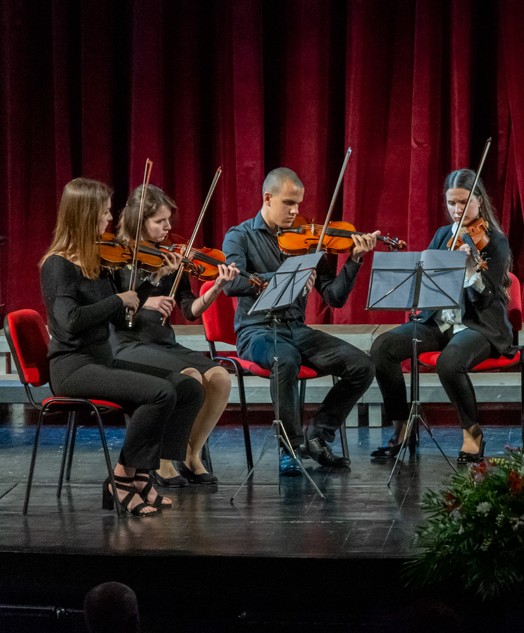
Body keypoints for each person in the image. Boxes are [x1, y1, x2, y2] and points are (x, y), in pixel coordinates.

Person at [38, 179, 203, 516]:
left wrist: (154, 281)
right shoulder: (57, 264)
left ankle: (142, 475)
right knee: (160, 393)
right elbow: (69, 320)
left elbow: (119, 319)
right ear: (84, 217)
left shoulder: (98, 261)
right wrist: (117, 299)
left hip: (103, 359)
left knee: (187, 388)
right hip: (73, 367)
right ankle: (121, 479)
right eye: (103, 213)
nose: (109, 219)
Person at [221, 168, 377, 475]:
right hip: (257, 331)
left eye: (298, 204)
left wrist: (354, 261)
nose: (295, 211)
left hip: (297, 329)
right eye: (288, 203)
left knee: (363, 366)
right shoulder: (239, 236)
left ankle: (318, 435)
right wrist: (284, 279)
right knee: (286, 359)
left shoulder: (309, 241)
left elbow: (334, 297)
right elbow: (232, 284)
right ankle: (289, 447)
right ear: (268, 198)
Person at [368, 169, 514, 463]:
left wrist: (472, 269)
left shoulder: (495, 241)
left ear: (479, 201)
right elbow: (426, 280)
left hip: (480, 325)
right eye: (451, 203)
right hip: (439, 323)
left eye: (464, 202)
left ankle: (471, 433)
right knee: (382, 347)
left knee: (450, 361)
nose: (457, 210)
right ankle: (401, 428)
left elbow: (487, 298)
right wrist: (417, 298)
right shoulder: (442, 235)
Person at [110, 185, 241, 486]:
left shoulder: (170, 257)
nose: (168, 227)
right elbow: (108, 304)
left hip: (162, 342)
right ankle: (164, 460)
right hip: (127, 344)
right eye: (160, 221)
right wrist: (144, 301)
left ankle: (192, 454)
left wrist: (217, 287)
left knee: (220, 377)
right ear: (138, 221)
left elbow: (190, 309)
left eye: (168, 220)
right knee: (190, 377)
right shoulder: (115, 258)